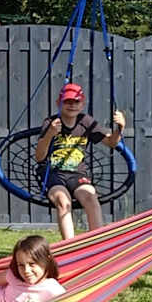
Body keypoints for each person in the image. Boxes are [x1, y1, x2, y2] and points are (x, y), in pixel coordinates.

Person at [35, 83, 125, 240]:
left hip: (77, 174)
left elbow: (111, 142)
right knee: (63, 201)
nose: (72, 105)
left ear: (82, 104)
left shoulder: (86, 122)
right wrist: (50, 134)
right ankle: (70, 246)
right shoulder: (51, 122)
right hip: (53, 174)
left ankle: (97, 244)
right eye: (67, 101)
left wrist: (120, 128)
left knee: (91, 197)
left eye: (76, 101)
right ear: (58, 103)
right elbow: (39, 157)